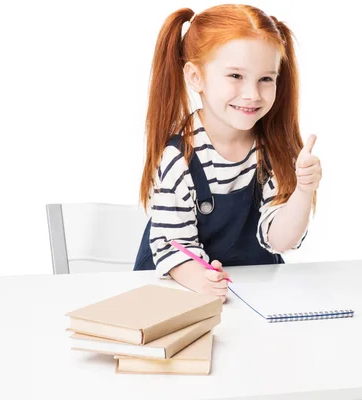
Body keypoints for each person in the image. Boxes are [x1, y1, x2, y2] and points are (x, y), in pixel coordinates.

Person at [133, 4, 322, 303]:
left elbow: (280, 240)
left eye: (266, 79)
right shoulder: (180, 156)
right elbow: (171, 246)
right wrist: (202, 280)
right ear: (196, 77)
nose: (252, 94)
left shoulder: (272, 149)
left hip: (248, 296)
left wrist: (304, 190)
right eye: (235, 75)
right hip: (179, 294)